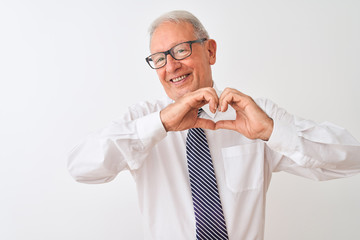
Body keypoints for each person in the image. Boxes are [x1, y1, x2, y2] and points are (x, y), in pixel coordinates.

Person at [67, 10, 360, 240]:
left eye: (180, 50)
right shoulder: (143, 121)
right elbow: (81, 167)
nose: (171, 66)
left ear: (210, 51)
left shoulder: (254, 115)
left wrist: (271, 131)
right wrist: (161, 124)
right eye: (159, 58)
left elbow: (352, 159)